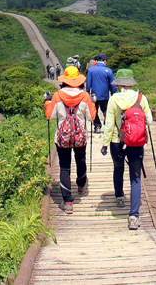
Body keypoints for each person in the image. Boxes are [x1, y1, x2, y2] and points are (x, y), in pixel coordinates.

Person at [100, 68, 153, 230]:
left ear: (119, 83)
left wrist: (104, 143)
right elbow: (149, 120)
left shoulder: (114, 99)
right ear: (131, 83)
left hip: (117, 142)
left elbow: (109, 124)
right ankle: (134, 216)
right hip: (136, 143)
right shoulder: (141, 98)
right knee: (136, 178)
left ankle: (119, 197)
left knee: (118, 168)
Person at [44, 66, 96, 214]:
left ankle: (67, 202)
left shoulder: (57, 96)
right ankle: (81, 185)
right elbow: (91, 117)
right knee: (81, 160)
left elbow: (50, 115)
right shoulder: (85, 96)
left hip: (62, 137)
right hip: (80, 136)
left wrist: (47, 102)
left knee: (64, 167)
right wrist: (93, 102)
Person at [86, 53, 115, 133]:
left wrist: (87, 92)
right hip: (105, 95)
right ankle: (108, 124)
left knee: (94, 110)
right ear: (105, 61)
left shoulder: (91, 70)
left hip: (94, 95)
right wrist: (113, 94)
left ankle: (97, 126)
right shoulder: (109, 71)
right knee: (106, 110)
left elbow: (88, 83)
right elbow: (112, 85)